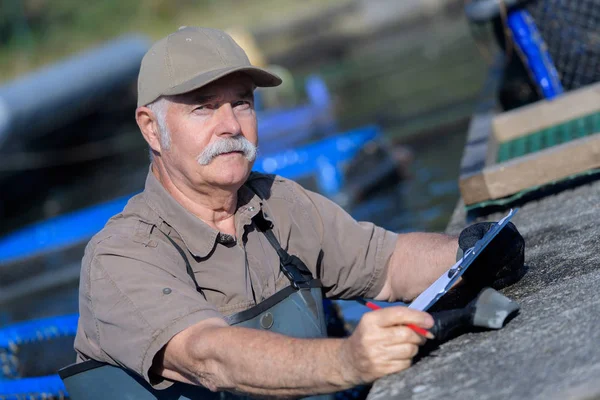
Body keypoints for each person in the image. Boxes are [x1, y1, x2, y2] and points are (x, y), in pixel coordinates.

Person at [70, 27, 524, 399]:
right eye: (203, 107)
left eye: (242, 102)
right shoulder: (120, 255)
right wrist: (350, 360)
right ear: (151, 128)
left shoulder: (278, 201)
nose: (229, 125)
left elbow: (387, 263)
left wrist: (470, 252)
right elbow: (208, 356)